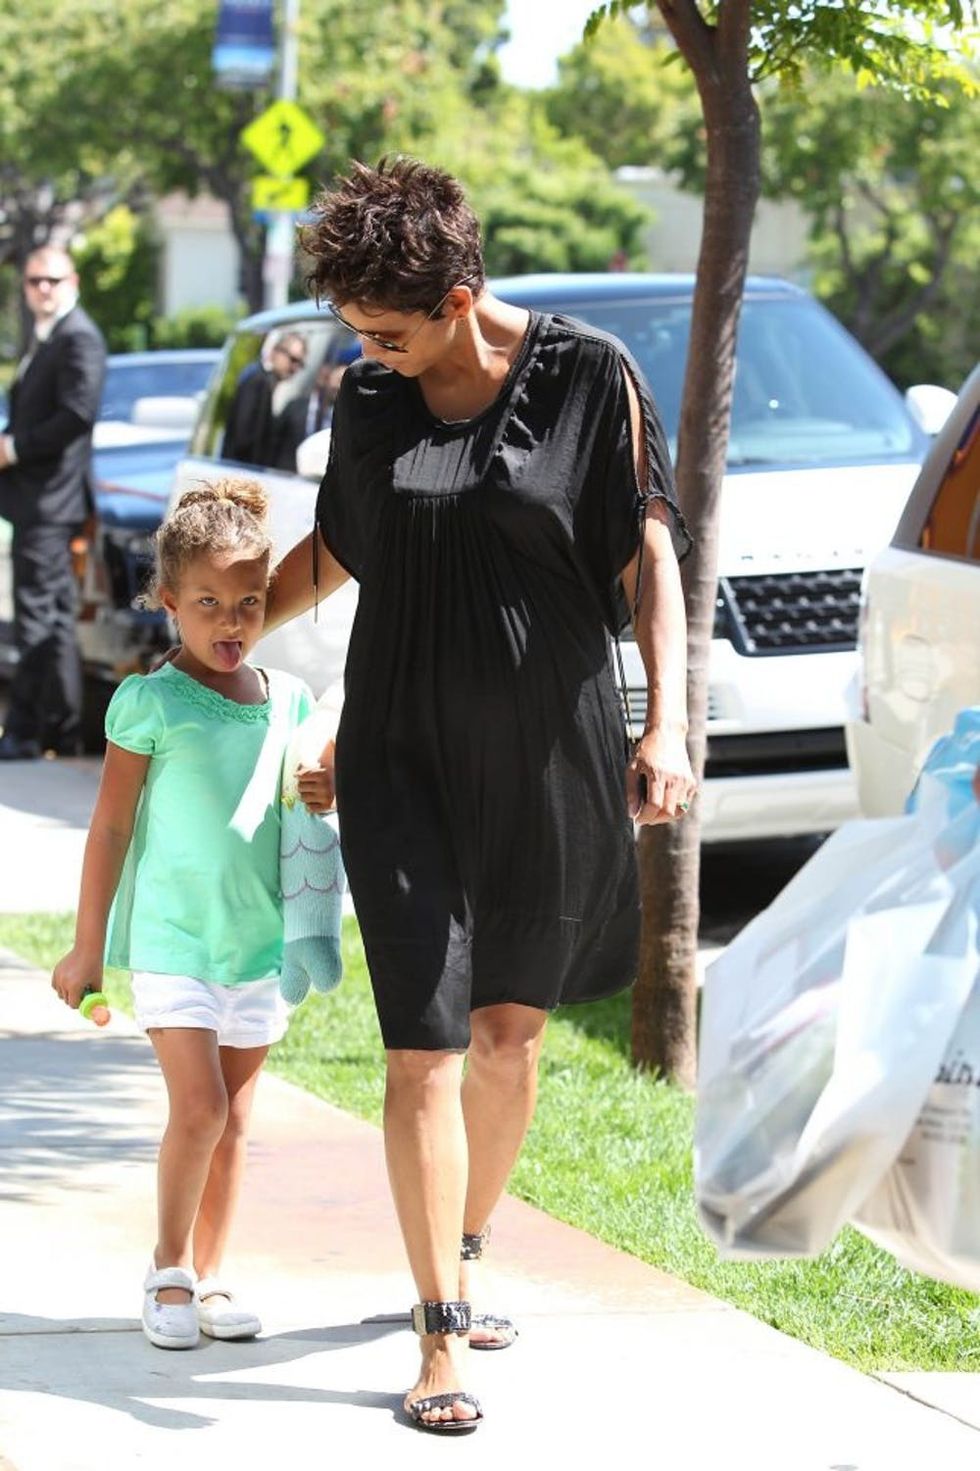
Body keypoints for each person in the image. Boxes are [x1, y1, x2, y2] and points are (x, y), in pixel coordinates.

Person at [262, 157, 696, 1433]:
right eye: (353, 332)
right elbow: (340, 544)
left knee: (508, 1040)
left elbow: (646, 558)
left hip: (550, 757)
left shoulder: (587, 379)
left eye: (386, 330)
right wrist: (224, 628)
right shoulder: (373, 397)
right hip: (396, 751)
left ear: (458, 297)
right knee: (422, 1049)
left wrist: (668, 722)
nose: (369, 352)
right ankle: (436, 1331)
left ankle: (463, 1241)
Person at [50, 478, 331, 1350]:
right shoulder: (151, 702)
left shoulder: (287, 702)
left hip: (257, 942)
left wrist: (320, 789)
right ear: (168, 600)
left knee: (238, 1118)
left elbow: (292, 814)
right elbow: (109, 828)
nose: (230, 621)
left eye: (248, 603)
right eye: (207, 603)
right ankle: (168, 1269)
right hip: (174, 944)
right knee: (201, 1107)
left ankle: (210, 1278)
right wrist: (86, 947)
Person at [0, 245, 106, 760]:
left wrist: (14, 447)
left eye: (53, 280)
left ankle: (23, 731)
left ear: (74, 282)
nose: (43, 288)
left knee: (38, 616)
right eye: (34, 281)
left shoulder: (78, 336)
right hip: (38, 499)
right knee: (56, 615)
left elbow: (77, 413)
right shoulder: (47, 336)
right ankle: (60, 730)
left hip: (50, 499)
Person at [222, 330, 307, 468]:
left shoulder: (263, 381)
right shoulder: (257, 382)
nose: (295, 368)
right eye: (293, 360)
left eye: (300, 364)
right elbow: (243, 439)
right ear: (275, 352)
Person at [274, 341, 360, 471]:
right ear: (324, 377)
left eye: (345, 386)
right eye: (337, 381)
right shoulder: (294, 408)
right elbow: (272, 448)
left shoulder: (347, 422)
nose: (339, 388)